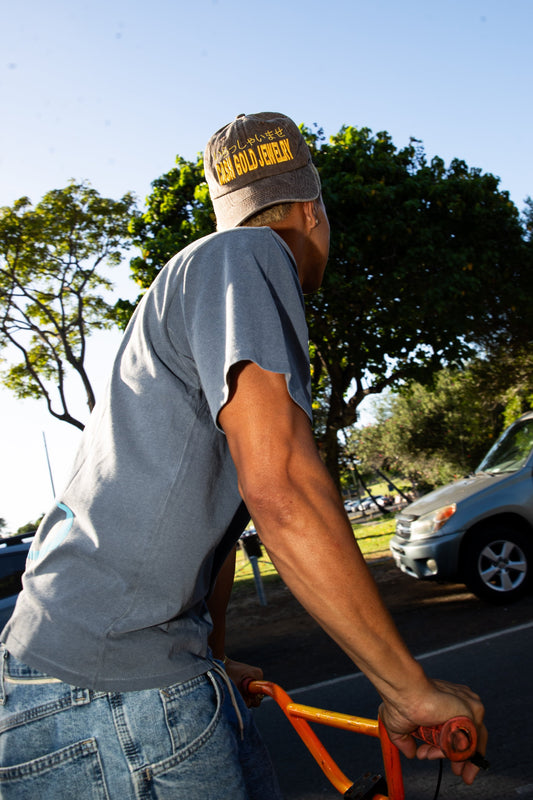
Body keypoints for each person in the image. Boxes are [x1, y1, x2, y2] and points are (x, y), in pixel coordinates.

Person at [0, 112, 486, 798]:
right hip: (107, 700)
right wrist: (408, 690)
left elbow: (209, 523)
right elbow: (281, 486)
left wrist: (213, 653)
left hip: (96, 678)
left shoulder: (203, 274)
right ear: (313, 208)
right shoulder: (249, 259)